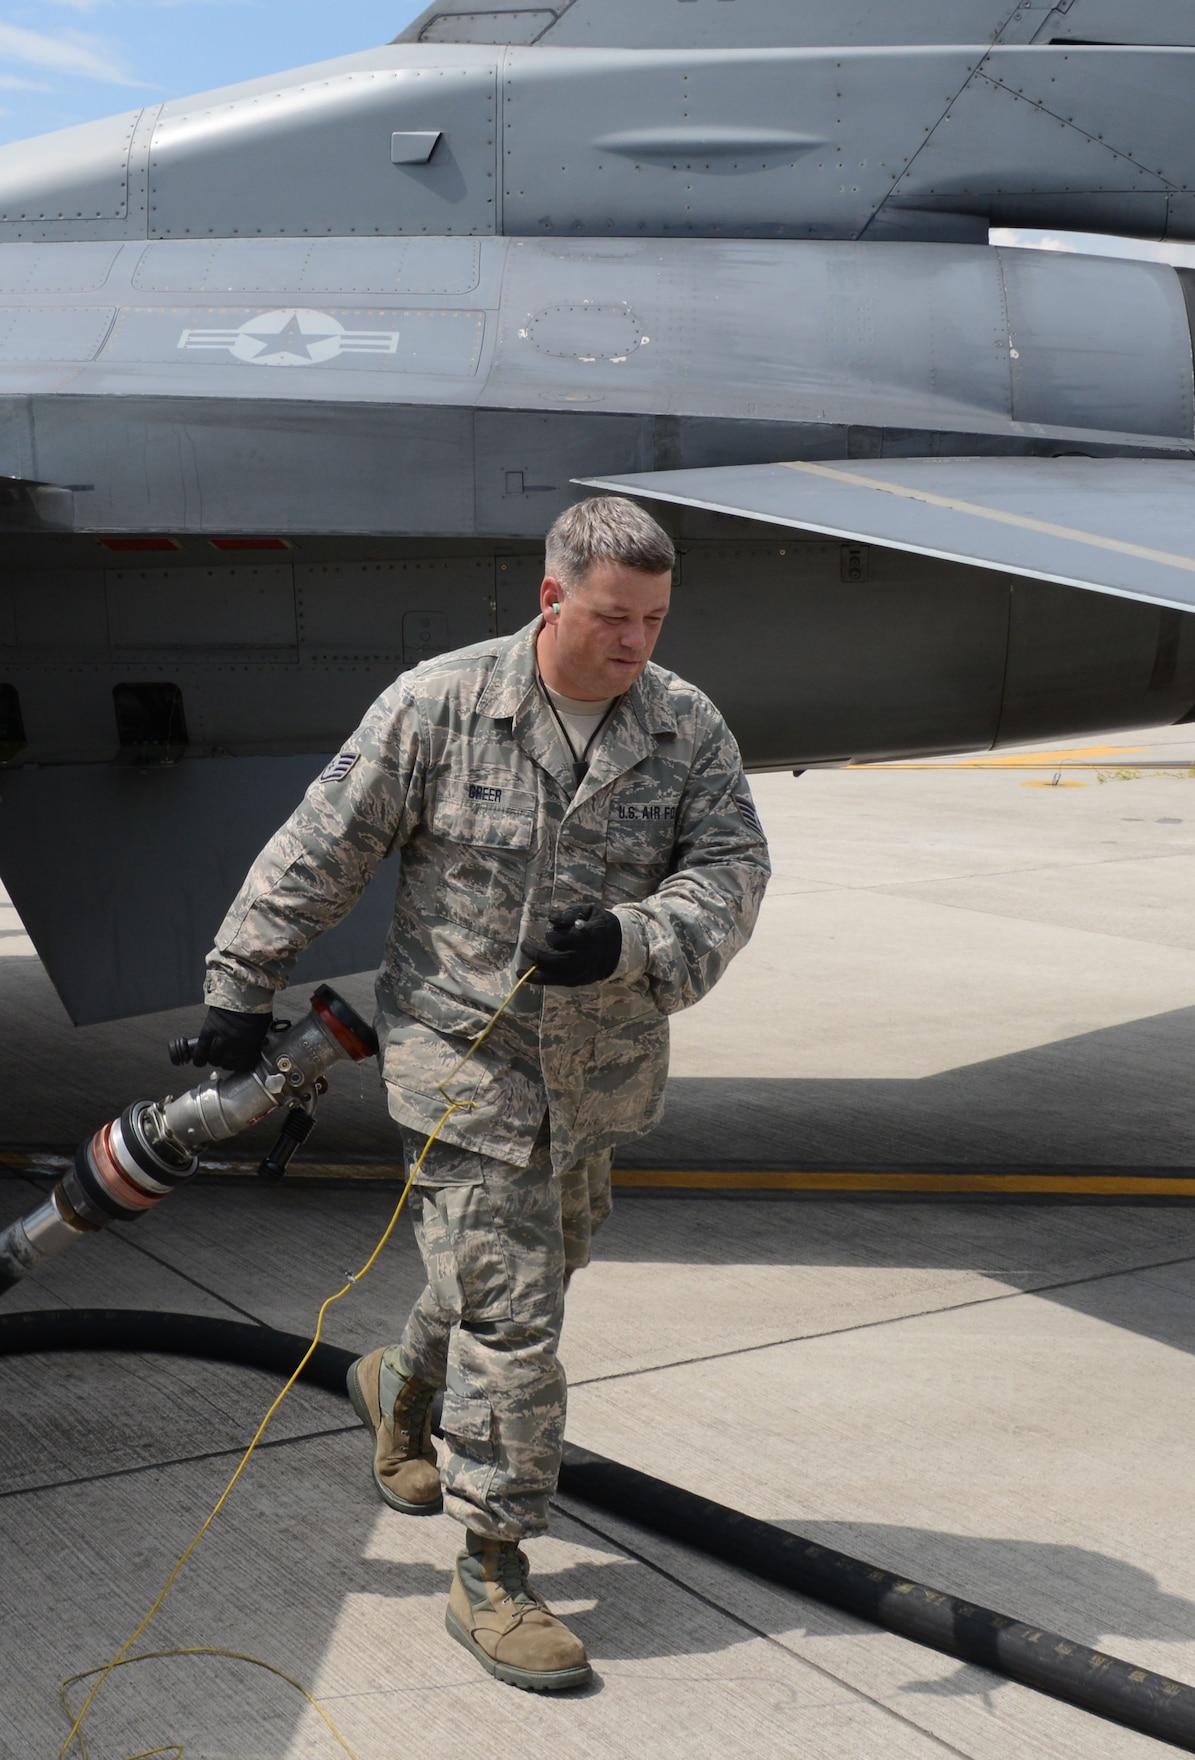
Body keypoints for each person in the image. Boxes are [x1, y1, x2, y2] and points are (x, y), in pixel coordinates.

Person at [195, 495, 770, 1692]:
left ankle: (395, 1383)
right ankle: (494, 1566)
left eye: (655, 619)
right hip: (465, 1064)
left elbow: (733, 870)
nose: (636, 644)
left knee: (530, 1269)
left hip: (601, 1073)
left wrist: (630, 934)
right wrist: (240, 986)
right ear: (552, 596)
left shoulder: (683, 723)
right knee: (518, 1321)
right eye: (615, 617)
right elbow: (322, 844)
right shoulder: (440, 704)